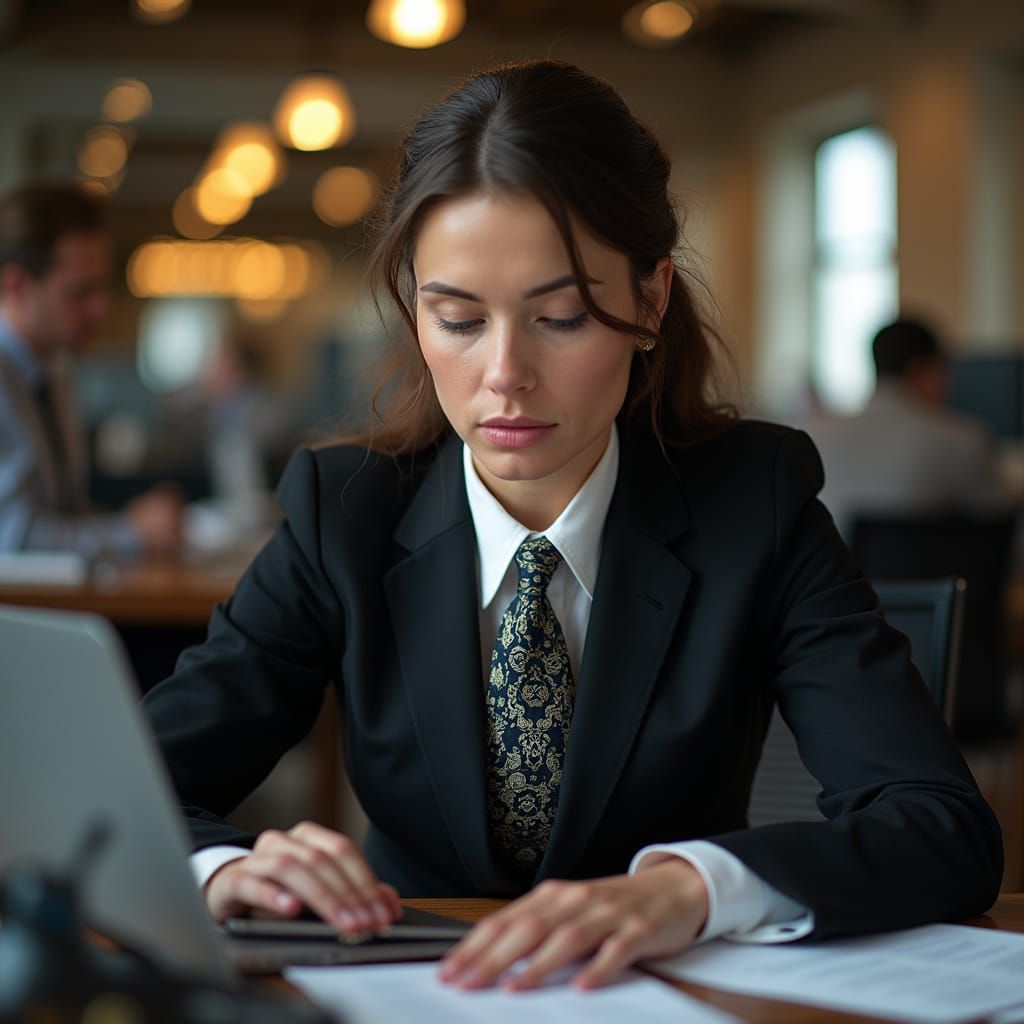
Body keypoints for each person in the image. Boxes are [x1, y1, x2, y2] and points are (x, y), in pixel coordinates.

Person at [142, 61, 1001, 992]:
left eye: (559, 317)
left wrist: (695, 887)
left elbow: (938, 823)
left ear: (651, 300)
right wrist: (227, 871)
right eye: (460, 320)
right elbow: (117, 792)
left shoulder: (753, 501)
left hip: (665, 989)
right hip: (403, 989)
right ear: (415, 313)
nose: (505, 373)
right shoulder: (341, 510)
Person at [0, 182, 182, 557]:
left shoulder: (54, 375)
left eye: (103, 290)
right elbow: (10, 539)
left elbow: (62, 513)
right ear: (16, 285)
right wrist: (131, 533)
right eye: (80, 292)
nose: (100, 310)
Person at [810, 318, 1009, 539]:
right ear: (922, 369)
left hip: (835, 571)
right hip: (933, 572)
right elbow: (1002, 527)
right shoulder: (963, 439)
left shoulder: (815, 436)